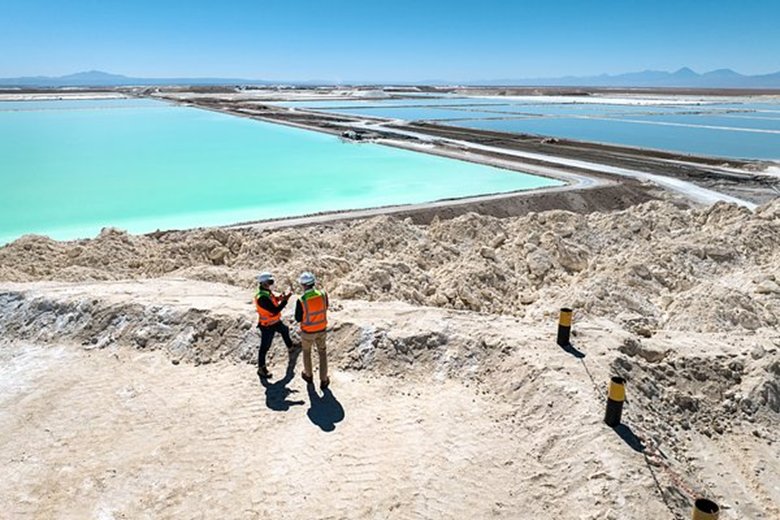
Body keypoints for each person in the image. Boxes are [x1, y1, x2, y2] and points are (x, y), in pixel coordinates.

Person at [254, 271, 294, 379]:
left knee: (284, 330)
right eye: (269, 282)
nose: (271, 284)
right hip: (267, 325)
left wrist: (280, 298)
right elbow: (275, 310)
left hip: (274, 322)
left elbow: (273, 300)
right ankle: (261, 368)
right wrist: (285, 301)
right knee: (265, 347)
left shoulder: (266, 292)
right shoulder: (261, 297)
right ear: (262, 283)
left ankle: (290, 347)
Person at [295, 271, 330, 389]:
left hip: (308, 332)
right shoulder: (323, 294)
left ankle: (308, 375)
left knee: (306, 352)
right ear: (313, 283)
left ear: (303, 285)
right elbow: (326, 307)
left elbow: (298, 318)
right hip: (321, 329)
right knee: (322, 353)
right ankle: (324, 380)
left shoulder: (301, 300)